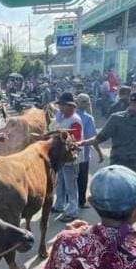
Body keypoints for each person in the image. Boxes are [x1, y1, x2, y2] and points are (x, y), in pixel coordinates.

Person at [81, 90, 136, 183]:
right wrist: (82, 143)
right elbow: (100, 138)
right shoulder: (117, 118)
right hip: (120, 163)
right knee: (118, 191)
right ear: (133, 104)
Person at [51, 93, 83, 223]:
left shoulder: (75, 121)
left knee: (71, 186)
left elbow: (75, 141)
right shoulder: (63, 117)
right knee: (60, 183)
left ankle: (72, 211)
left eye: (62, 105)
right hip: (62, 158)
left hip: (70, 158)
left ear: (70, 106)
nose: (60, 108)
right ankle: (59, 205)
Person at [75, 94, 104, 209]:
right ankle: (81, 202)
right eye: (85, 102)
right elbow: (93, 139)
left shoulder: (68, 115)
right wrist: (100, 153)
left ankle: (68, 201)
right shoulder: (88, 118)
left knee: (69, 178)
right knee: (82, 179)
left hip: (68, 153)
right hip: (83, 153)